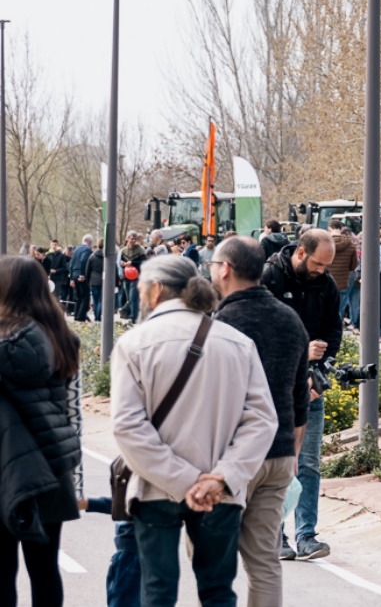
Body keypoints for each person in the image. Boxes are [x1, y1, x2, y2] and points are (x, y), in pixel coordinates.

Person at [111, 254, 277, 607]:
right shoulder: (237, 342)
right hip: (222, 493)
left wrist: (186, 480)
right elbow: (262, 420)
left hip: (156, 488)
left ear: (155, 290)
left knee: (157, 592)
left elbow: (127, 425)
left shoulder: (134, 343)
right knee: (218, 591)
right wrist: (219, 478)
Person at [208, 237, 308, 607]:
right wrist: (292, 452)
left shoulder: (222, 323)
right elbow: (301, 396)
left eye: (212, 264)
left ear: (226, 269)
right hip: (280, 455)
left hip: (234, 459)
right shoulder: (289, 318)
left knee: (213, 560)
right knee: (265, 560)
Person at [0, 255, 84, 607]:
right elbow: (73, 413)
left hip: (6, 468)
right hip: (52, 470)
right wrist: (76, 482)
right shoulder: (63, 339)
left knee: (2, 572)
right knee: (46, 569)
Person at [259, 229, 339, 562]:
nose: (322, 271)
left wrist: (319, 376)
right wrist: (299, 354)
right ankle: (275, 535)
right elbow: (259, 333)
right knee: (275, 462)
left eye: (326, 266)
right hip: (273, 388)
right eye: (319, 264)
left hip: (309, 387)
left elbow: (333, 333)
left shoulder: (327, 284)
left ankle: (307, 535)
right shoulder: (269, 277)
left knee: (308, 463)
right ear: (301, 253)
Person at [327, 219, 358, 328]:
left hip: (327, 281)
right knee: (340, 307)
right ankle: (337, 329)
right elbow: (354, 265)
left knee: (326, 307)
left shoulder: (325, 242)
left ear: (329, 229)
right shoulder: (350, 243)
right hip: (343, 281)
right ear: (341, 229)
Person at [69, 236, 95, 322]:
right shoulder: (87, 249)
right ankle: (80, 317)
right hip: (81, 275)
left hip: (74, 275)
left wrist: (72, 278)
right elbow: (83, 261)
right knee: (85, 297)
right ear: (90, 242)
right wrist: (82, 274)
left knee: (78, 297)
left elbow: (71, 263)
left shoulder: (76, 249)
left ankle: (76, 315)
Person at [44, 243, 70, 315]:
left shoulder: (61, 256)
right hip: (48, 278)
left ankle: (56, 312)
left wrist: (56, 271)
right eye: (52, 245)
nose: (54, 246)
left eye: (55, 245)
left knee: (56, 295)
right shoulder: (48, 255)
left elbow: (65, 268)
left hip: (58, 278)